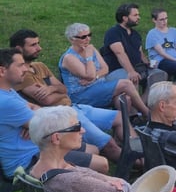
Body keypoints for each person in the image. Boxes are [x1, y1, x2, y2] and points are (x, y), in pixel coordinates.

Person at [29, 106, 176, 192]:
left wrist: (108, 181)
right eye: (76, 127)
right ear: (56, 138)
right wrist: (119, 184)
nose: (83, 131)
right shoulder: (69, 182)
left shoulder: (40, 168)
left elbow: (90, 179)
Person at [10, 29, 126, 163]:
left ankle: (134, 149)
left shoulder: (39, 66)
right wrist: (58, 92)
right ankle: (138, 164)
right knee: (107, 142)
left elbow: (64, 88)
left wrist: (52, 88)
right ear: (19, 48)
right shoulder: (21, 75)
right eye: (33, 45)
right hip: (63, 115)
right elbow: (47, 100)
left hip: (74, 106)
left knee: (120, 116)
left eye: (38, 43)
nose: (39, 48)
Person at [0, 49, 106, 180]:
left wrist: (33, 126)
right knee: (102, 164)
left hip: (40, 147)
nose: (25, 69)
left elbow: (35, 110)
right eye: (20, 65)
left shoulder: (7, 90)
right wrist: (36, 125)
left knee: (94, 149)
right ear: (2, 71)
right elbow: (47, 123)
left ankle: (79, 185)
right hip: (27, 162)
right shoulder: (5, 101)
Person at [59, 23, 150, 117]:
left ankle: (128, 125)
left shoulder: (91, 48)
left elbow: (105, 68)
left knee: (124, 99)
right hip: (81, 95)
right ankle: (147, 114)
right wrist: (89, 57)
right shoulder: (69, 58)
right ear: (72, 39)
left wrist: (95, 77)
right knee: (126, 84)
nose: (88, 39)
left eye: (89, 35)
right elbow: (89, 75)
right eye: (83, 37)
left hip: (99, 86)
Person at [101, 3, 150, 85]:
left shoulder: (136, 34)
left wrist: (148, 64)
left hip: (136, 68)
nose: (138, 17)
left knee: (157, 76)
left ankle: (144, 98)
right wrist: (131, 71)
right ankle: (131, 97)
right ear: (125, 18)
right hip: (116, 70)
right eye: (135, 15)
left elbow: (140, 52)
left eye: (138, 15)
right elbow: (120, 53)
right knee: (133, 78)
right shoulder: (113, 32)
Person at [145, 8, 176, 96]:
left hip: (175, 58)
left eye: (166, 18)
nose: (165, 21)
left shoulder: (173, 31)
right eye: (161, 19)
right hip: (160, 61)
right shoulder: (152, 34)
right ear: (154, 20)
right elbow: (162, 53)